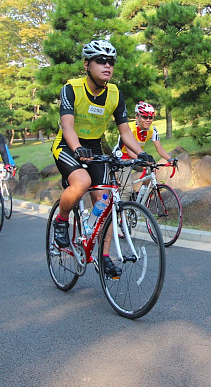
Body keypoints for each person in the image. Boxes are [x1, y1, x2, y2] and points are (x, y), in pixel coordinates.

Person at [51, 39, 153, 278]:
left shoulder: (115, 94)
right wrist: (77, 149)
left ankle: (104, 256)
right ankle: (61, 220)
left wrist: (141, 154)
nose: (107, 65)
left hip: (94, 148)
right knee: (82, 182)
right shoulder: (71, 88)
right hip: (68, 145)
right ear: (87, 64)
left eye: (111, 62)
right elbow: (67, 126)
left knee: (105, 201)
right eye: (101, 61)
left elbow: (125, 131)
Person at [116, 101, 175, 198]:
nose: (148, 120)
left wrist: (170, 159)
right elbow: (130, 153)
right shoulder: (128, 129)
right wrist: (144, 160)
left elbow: (160, 149)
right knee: (126, 190)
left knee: (151, 169)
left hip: (137, 157)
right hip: (122, 159)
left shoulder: (152, 130)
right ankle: (124, 211)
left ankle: (140, 196)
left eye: (150, 118)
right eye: (144, 117)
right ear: (137, 117)